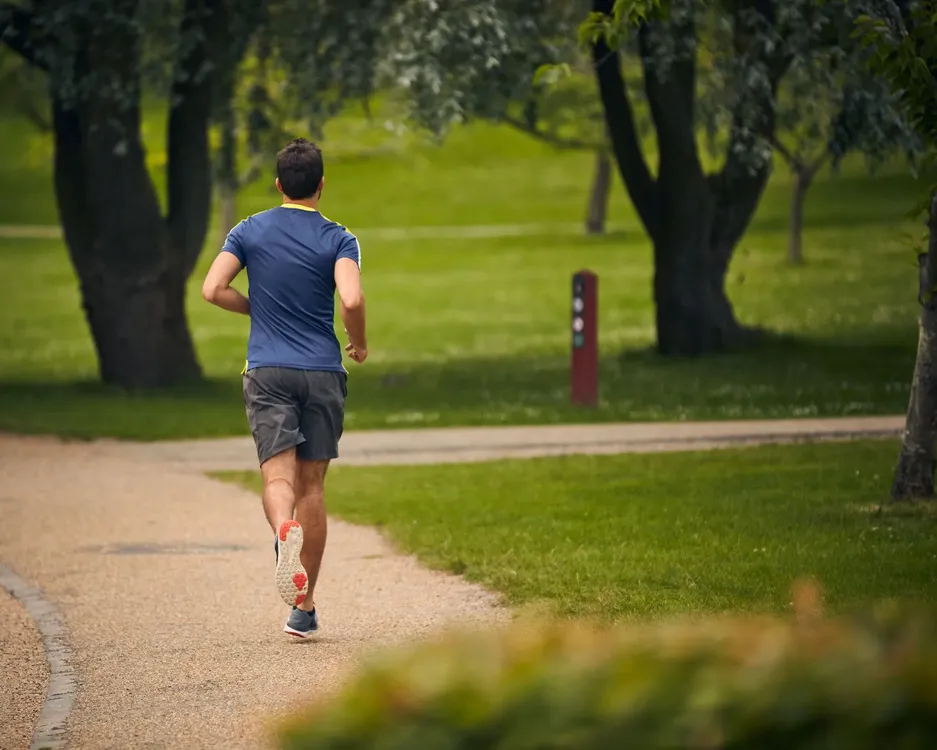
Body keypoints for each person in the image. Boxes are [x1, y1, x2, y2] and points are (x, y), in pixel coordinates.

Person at [201, 137, 367, 638]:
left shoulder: (249, 229)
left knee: (279, 477)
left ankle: (281, 531)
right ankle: (304, 607)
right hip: (321, 370)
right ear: (321, 185)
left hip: (268, 369)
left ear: (278, 184)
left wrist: (257, 307)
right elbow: (353, 298)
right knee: (313, 487)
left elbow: (212, 289)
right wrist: (357, 343)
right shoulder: (339, 238)